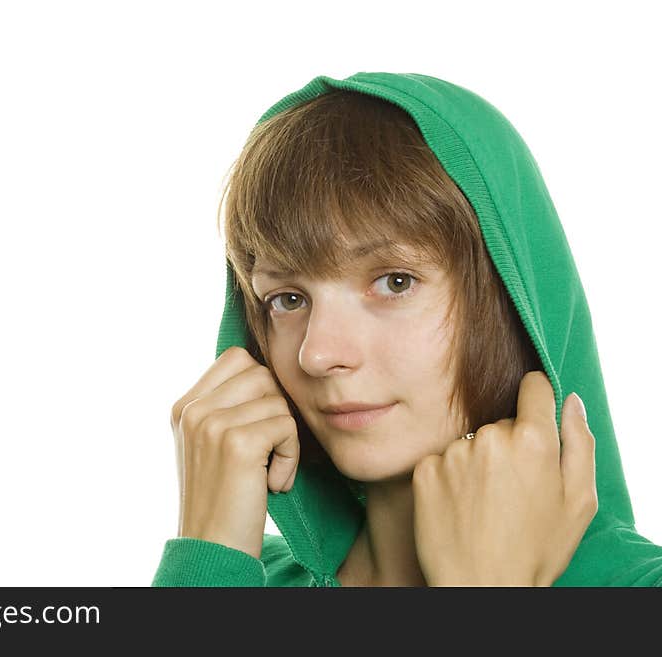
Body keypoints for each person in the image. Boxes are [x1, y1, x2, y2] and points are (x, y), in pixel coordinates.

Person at [152, 72, 662, 586]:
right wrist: (208, 552)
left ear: (514, 296)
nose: (318, 353)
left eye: (395, 282)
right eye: (288, 299)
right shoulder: (236, 574)